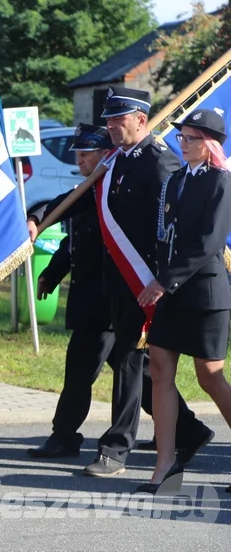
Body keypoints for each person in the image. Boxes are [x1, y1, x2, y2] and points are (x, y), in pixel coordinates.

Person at [28, 88, 214, 476]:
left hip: (142, 283)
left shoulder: (159, 162)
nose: (111, 126)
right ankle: (188, 430)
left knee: (130, 365)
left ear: (141, 120)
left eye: (119, 120)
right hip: (114, 283)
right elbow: (78, 199)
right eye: (109, 120)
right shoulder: (116, 162)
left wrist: (162, 282)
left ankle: (115, 449)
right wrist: (40, 216)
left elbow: (169, 229)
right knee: (132, 366)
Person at [136, 109, 231, 493]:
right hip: (171, 291)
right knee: (159, 370)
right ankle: (166, 465)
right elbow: (164, 234)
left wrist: (163, 281)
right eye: (181, 137)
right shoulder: (174, 180)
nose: (183, 143)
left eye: (190, 138)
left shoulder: (221, 183)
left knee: (209, 377)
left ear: (209, 144)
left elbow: (209, 243)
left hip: (205, 292)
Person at [26, 124, 118, 458]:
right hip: (90, 300)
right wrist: (51, 273)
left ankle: (64, 436)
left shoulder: (114, 191)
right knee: (141, 375)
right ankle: (186, 428)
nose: (78, 160)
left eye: (85, 153)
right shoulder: (89, 191)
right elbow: (71, 234)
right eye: (76, 153)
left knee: (80, 368)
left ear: (106, 154)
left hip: (108, 301)